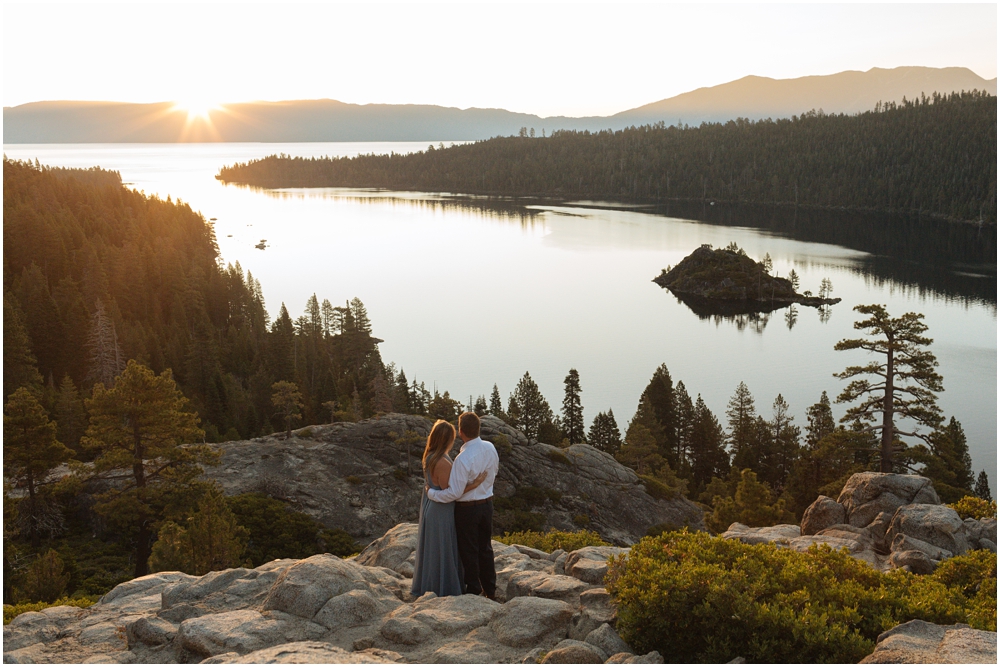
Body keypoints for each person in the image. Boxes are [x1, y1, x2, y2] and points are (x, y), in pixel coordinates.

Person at [427, 412, 500, 599]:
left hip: (467, 510)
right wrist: (478, 486)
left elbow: (454, 493)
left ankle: (474, 588)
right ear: (478, 428)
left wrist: (431, 493)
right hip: (487, 505)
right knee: (485, 548)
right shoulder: (490, 448)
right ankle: (490, 590)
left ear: (461, 432)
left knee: (469, 550)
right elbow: (494, 473)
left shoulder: (463, 459)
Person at [411, 419, 487, 598]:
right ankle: (444, 589)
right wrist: (474, 484)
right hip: (441, 510)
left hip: (433, 506)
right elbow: (452, 492)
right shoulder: (442, 462)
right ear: (447, 439)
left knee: (434, 550)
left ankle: (431, 585)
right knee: (443, 549)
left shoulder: (429, 456)